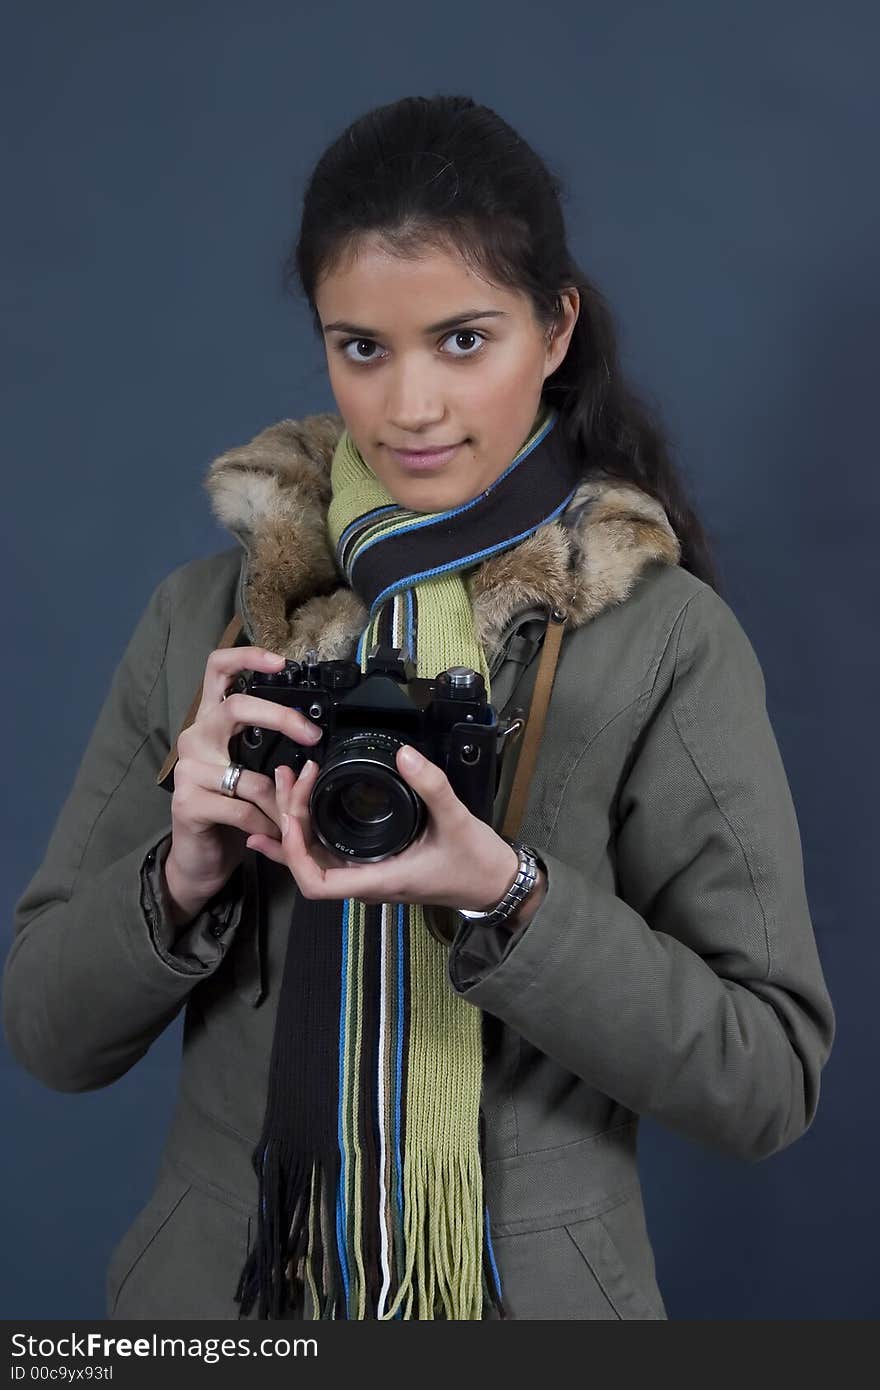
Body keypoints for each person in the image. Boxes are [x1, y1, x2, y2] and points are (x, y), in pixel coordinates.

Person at [3, 94, 835, 1322]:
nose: (409, 409)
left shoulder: (659, 638)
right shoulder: (207, 620)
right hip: (227, 1302)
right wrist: (178, 874)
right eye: (360, 347)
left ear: (553, 331)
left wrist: (506, 891)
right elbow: (49, 1036)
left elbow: (764, 1083)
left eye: (462, 340)